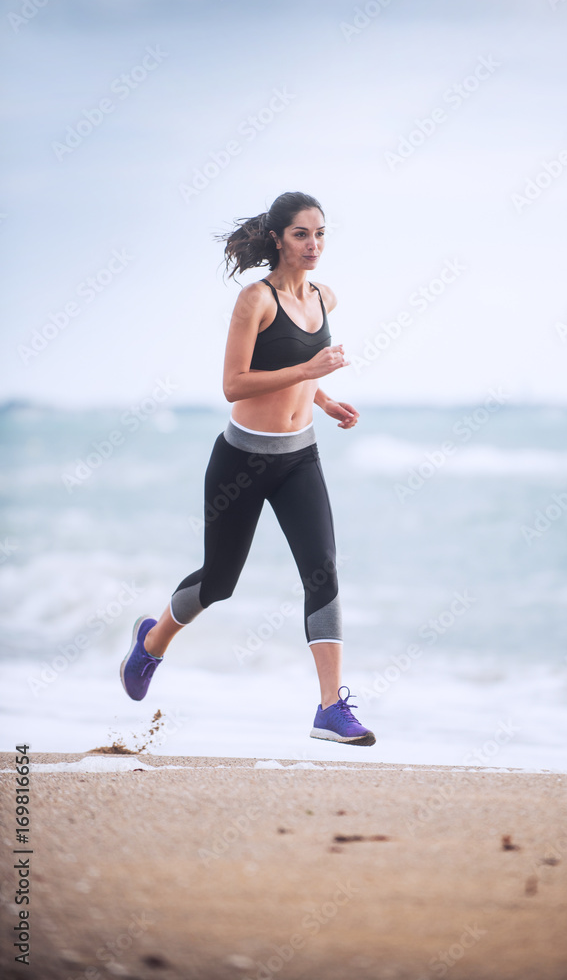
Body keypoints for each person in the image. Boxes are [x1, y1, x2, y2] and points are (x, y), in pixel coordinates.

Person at [120, 191, 375, 746]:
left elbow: (294, 370)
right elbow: (235, 383)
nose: (314, 245)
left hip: (299, 458)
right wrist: (308, 367)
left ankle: (330, 707)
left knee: (323, 569)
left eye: (322, 234)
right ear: (278, 239)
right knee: (219, 583)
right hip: (242, 458)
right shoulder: (253, 300)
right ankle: (152, 642)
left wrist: (323, 399)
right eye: (303, 234)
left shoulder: (325, 298)